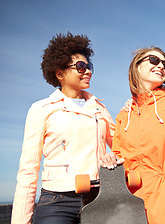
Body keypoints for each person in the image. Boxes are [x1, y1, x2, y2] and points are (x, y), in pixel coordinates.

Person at [11, 33, 115, 224]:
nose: (88, 71)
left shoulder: (100, 108)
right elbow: (28, 170)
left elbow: (123, 144)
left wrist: (114, 156)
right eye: (81, 67)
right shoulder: (41, 109)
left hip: (98, 199)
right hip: (56, 203)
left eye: (89, 66)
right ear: (59, 74)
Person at [100, 47, 165, 224]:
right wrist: (111, 161)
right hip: (132, 209)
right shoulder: (124, 116)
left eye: (164, 64)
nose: (161, 66)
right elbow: (119, 158)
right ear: (136, 67)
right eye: (154, 60)